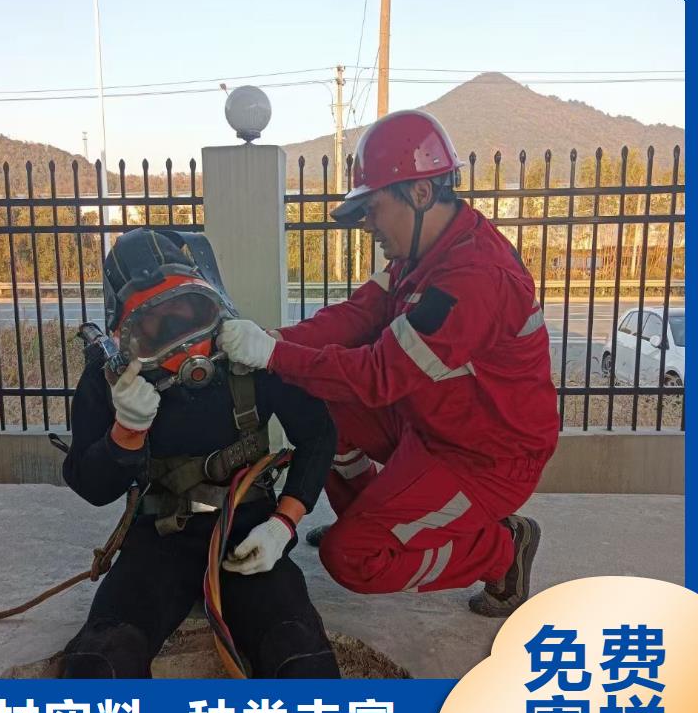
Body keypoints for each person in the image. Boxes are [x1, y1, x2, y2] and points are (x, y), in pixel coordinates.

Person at [218, 110, 560, 618]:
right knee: (321, 398)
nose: (368, 224)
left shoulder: (474, 278)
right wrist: (275, 340)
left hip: (486, 458)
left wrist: (273, 356)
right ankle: (369, 516)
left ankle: (504, 550)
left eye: (373, 208)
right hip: (433, 423)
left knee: (353, 558)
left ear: (419, 193)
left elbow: (379, 376)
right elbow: (357, 315)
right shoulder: (422, 256)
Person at [60, 227, 340, 678]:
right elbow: (91, 486)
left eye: (188, 310)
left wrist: (282, 524)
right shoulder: (110, 379)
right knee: (100, 664)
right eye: (154, 325)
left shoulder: (248, 354)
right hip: (157, 541)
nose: (182, 340)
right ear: (125, 332)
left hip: (247, 529)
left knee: (301, 658)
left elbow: (319, 433)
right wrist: (125, 433)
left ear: (210, 300)